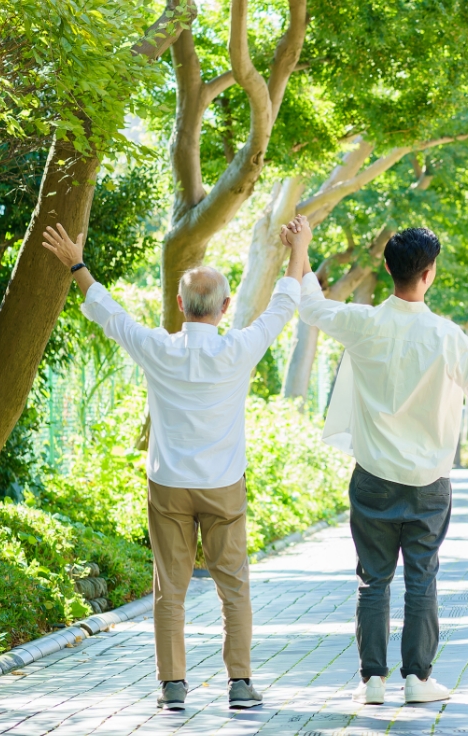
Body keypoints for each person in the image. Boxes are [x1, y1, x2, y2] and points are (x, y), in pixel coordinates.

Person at [40, 218, 309, 711]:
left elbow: (110, 313)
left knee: (171, 588)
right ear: (226, 307)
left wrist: (76, 263)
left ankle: (172, 687)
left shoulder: (158, 349)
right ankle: (241, 684)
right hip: (224, 485)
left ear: (181, 306)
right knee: (234, 586)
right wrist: (299, 247)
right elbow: (284, 304)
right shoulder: (239, 349)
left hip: (168, 486)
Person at [286, 218, 468, 706]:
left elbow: (308, 306)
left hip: (372, 477)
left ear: (389, 268)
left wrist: (303, 247)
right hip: (429, 482)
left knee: (373, 579)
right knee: (422, 578)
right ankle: (417, 678)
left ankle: (372, 680)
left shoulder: (365, 322)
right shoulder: (447, 336)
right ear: (429, 273)